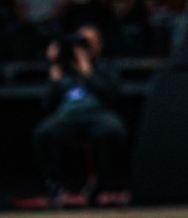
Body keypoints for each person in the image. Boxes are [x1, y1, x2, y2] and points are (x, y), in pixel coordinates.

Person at [33, 24, 128, 207]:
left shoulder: (105, 67)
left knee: (114, 130)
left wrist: (87, 71)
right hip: (67, 116)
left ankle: (105, 184)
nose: (84, 46)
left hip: (98, 115)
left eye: (89, 42)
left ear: (99, 45)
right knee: (43, 132)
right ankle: (55, 185)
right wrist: (54, 67)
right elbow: (46, 102)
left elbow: (113, 94)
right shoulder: (63, 70)